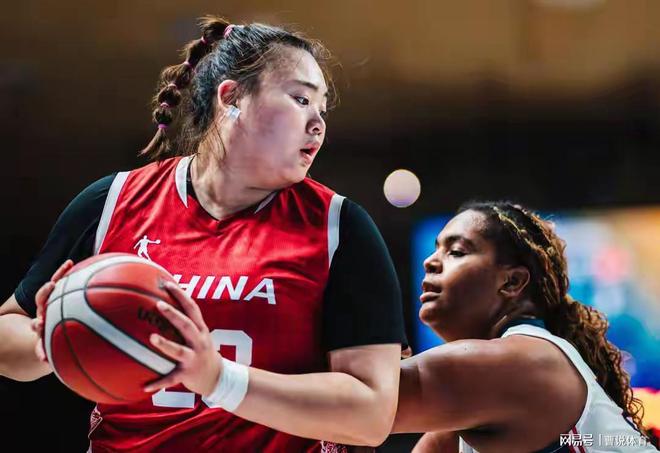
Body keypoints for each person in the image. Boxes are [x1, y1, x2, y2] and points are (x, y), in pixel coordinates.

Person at [0, 16, 406, 452]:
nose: (318, 124)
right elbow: (7, 333)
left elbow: (371, 415)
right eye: (301, 99)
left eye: (322, 110)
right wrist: (50, 337)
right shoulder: (112, 201)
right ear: (231, 97)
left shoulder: (339, 226)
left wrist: (219, 379)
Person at [393, 201, 658, 452]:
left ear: (512, 282)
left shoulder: (523, 361)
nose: (429, 261)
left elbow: (377, 400)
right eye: (436, 249)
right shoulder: (468, 415)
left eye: (456, 252)